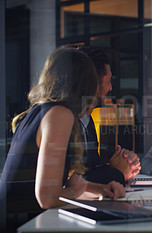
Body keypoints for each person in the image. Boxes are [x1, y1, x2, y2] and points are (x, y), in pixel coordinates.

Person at [0, 48, 125, 217]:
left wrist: (101, 189)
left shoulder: (39, 111)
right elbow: (47, 198)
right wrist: (74, 192)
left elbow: (50, 183)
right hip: (25, 223)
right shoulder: (60, 114)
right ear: (87, 81)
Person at [76, 46, 141, 184]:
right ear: (93, 82)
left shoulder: (86, 118)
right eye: (108, 81)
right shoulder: (64, 119)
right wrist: (118, 173)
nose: (110, 88)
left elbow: (94, 169)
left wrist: (122, 166)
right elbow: (79, 178)